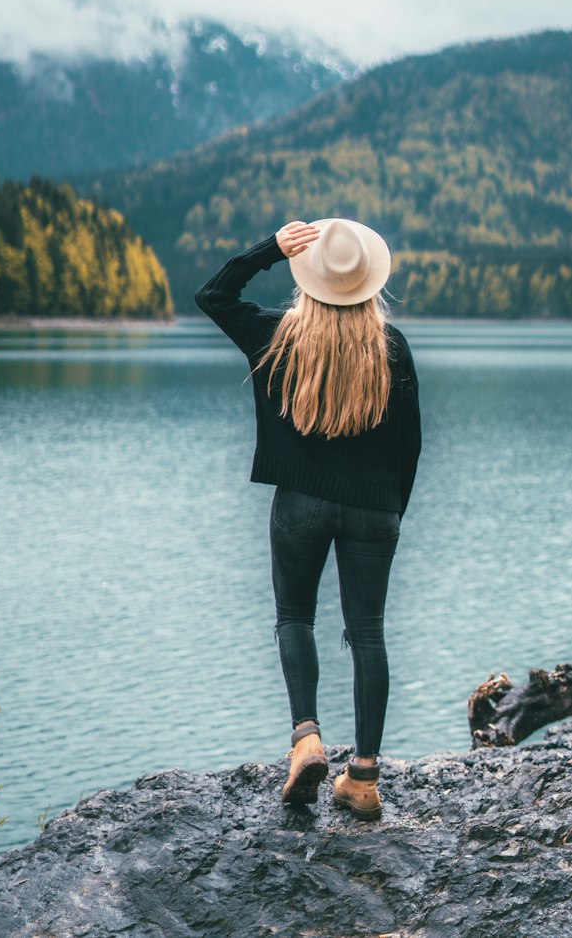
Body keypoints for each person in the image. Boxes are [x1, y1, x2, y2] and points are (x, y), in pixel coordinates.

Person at [195, 217, 422, 821]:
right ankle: (365, 778)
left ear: (309, 281)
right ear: (369, 285)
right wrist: (391, 512)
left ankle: (307, 741)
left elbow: (213, 296)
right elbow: (411, 445)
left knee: (295, 617)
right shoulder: (390, 347)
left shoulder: (278, 336)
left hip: (300, 502)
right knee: (367, 634)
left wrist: (268, 249)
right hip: (376, 510)